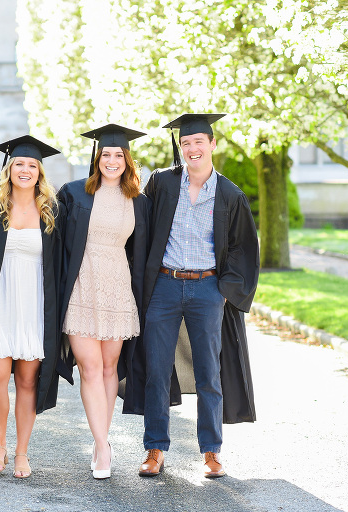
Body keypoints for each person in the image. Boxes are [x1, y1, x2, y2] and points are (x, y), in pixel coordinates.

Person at [138, 113, 259, 479]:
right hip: (164, 285)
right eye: (186, 143)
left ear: (212, 145)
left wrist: (223, 292)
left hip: (207, 287)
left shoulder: (229, 194)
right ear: (180, 147)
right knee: (157, 369)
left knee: (209, 372)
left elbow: (243, 247)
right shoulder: (161, 182)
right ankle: (155, 448)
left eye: (198, 142)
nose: (192, 148)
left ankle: (211, 451)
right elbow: (140, 227)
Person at [58, 124, 151, 479]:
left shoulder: (139, 201)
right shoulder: (75, 194)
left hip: (116, 286)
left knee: (110, 367)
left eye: (118, 155)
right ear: (97, 158)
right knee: (90, 367)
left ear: (127, 160)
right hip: (82, 285)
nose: (112, 161)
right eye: (106, 155)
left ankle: (103, 440)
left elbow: (144, 251)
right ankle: (102, 446)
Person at [0, 135, 65, 479]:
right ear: (9, 169)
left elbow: (60, 262)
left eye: (32, 165)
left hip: (34, 306)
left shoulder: (52, 210)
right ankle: (0, 444)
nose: (25, 170)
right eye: (19, 164)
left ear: (40, 171)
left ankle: (21, 452)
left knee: (28, 382)